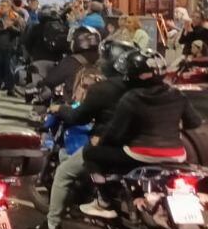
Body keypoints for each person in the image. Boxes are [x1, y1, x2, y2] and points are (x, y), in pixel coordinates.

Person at [29, 39, 136, 229]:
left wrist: (61, 109)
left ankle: (52, 226)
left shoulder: (103, 89)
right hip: (138, 145)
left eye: (104, 57)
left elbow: (80, 117)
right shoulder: (139, 87)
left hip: (108, 144)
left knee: (63, 172)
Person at [79, 50, 204, 218]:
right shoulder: (176, 94)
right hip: (177, 156)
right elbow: (194, 122)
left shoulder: (131, 98)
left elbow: (115, 134)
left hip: (141, 155)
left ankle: (104, 201)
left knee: (91, 153)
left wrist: (99, 141)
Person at [0, 2, 22, 96]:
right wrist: (2, 29)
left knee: (8, 69)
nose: (2, 8)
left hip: (9, 48)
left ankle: (10, 88)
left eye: (4, 6)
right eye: (1, 6)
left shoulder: (14, 18)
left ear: (9, 8)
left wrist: (10, 27)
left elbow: (20, 32)